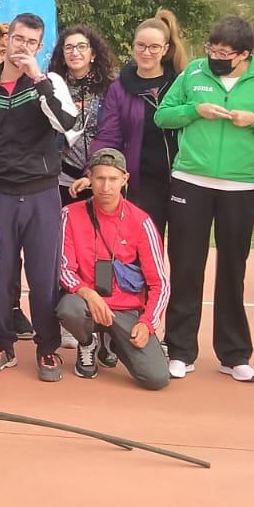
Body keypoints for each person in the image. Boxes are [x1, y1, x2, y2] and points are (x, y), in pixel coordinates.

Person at [154, 15, 254, 382]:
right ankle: (180, 349)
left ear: (244, 55)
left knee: (233, 269)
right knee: (185, 266)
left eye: (225, 53)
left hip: (240, 186)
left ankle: (234, 354)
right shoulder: (194, 73)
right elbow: (163, 116)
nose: (215, 56)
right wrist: (192, 111)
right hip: (190, 180)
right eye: (212, 49)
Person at [0, 12, 78, 382]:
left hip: (41, 193)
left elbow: (71, 128)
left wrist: (38, 78)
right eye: (18, 40)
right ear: (9, 39)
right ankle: (3, 345)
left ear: (40, 46)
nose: (23, 48)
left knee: (43, 275)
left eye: (32, 43)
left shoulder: (50, 83)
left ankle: (47, 349)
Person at [57, 149, 170, 389]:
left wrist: (147, 323)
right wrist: (89, 294)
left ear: (125, 179)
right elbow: (64, 269)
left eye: (113, 179)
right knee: (69, 307)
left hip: (126, 309)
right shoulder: (70, 214)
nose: (106, 187)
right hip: (87, 302)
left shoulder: (142, 222)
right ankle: (87, 343)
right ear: (90, 178)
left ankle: (111, 340)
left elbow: (159, 282)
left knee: (156, 378)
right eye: (99, 178)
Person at [85, 10, 187, 237]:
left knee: (183, 256)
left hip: (183, 180)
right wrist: (95, 169)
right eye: (140, 45)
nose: (146, 52)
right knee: (139, 251)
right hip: (142, 183)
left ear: (166, 49)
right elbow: (109, 136)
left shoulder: (182, 83)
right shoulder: (120, 87)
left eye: (153, 47)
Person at [48, 25, 117, 206]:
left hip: (101, 174)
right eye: (69, 47)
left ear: (93, 54)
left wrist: (93, 172)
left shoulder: (111, 87)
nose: (75, 52)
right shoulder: (53, 86)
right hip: (61, 177)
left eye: (81, 46)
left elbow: (113, 133)